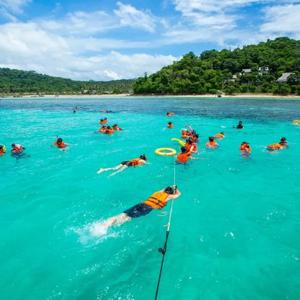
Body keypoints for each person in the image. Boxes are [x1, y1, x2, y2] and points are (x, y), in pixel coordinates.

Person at [99, 186, 181, 230]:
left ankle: (108, 221)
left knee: (124, 214)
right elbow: (178, 194)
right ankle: (113, 225)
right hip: (147, 208)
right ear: (170, 193)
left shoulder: (157, 192)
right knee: (129, 217)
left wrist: (171, 186)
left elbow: (162, 190)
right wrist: (176, 189)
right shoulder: (168, 196)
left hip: (141, 204)